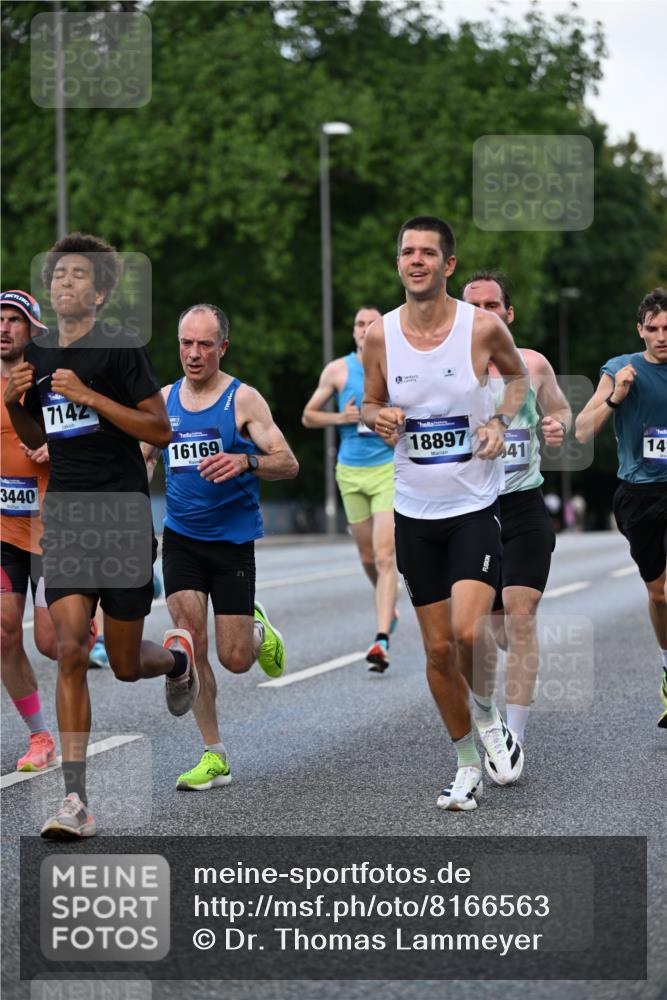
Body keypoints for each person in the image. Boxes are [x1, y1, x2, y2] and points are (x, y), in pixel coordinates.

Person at [4, 232, 199, 839]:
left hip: (120, 516)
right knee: (69, 649)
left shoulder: (121, 348)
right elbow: (41, 434)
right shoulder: (37, 352)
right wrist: (15, 405)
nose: (65, 282)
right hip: (66, 516)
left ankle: (176, 659)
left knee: (123, 662)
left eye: (78, 275)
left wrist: (88, 395)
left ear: (101, 292)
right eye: (58, 274)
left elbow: (159, 429)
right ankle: (76, 801)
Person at [362, 215, 530, 811]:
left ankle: (486, 715)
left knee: (466, 632)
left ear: (447, 264)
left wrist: (499, 421)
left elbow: (517, 379)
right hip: (414, 511)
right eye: (407, 252)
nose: (416, 261)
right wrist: (378, 418)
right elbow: (370, 402)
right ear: (398, 263)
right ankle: (465, 764)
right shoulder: (380, 335)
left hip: (473, 506)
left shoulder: (480, 327)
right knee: (437, 651)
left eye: (428, 253)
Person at [142, 303, 299, 790]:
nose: (194, 353)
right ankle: (214, 754)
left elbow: (288, 462)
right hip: (181, 539)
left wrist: (245, 462)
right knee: (191, 642)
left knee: (234, 658)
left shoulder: (242, 400)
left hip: (231, 544)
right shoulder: (163, 401)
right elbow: (142, 459)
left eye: (204, 345)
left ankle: (257, 630)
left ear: (222, 347)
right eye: (186, 343)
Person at [461, 270, 572, 748]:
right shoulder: (449, 373)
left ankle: (514, 740)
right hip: (472, 511)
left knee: (521, 616)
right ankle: (488, 710)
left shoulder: (533, 364)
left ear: (509, 314)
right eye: (473, 307)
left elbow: (560, 409)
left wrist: (556, 424)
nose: (483, 314)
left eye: (492, 305)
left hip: (524, 504)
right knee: (493, 630)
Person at [576, 287, 667, 728]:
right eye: (654, 328)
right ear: (640, 330)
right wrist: (616, 397)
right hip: (640, 494)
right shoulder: (620, 370)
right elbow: (581, 431)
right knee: (660, 594)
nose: (662, 336)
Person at [302, 306, 399, 671]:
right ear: (354, 330)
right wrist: (340, 417)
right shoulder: (338, 370)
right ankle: (387, 604)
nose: (364, 329)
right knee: (368, 558)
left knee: (386, 557)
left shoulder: (396, 366)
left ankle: (381, 638)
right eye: (359, 323)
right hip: (350, 471)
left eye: (372, 323)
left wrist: (395, 431)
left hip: (387, 469)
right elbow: (308, 415)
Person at [1, 289, 58, 770]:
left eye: (14, 320)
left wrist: (56, 447)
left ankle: (92, 611)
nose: (3, 328)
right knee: (3, 634)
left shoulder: (51, 380)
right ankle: (40, 737)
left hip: (52, 529)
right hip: (4, 530)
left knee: (52, 643)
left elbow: (93, 434)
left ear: (33, 329)